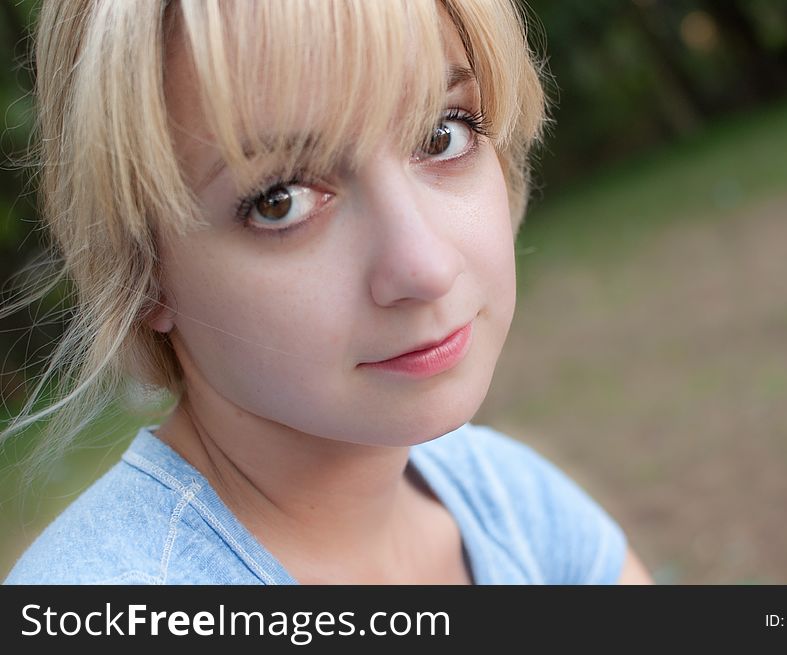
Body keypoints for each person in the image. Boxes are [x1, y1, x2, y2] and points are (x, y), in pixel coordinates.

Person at [2, 0, 652, 584]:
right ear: (143, 271)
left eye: (442, 133)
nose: (424, 267)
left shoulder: (510, 504)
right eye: (280, 199)